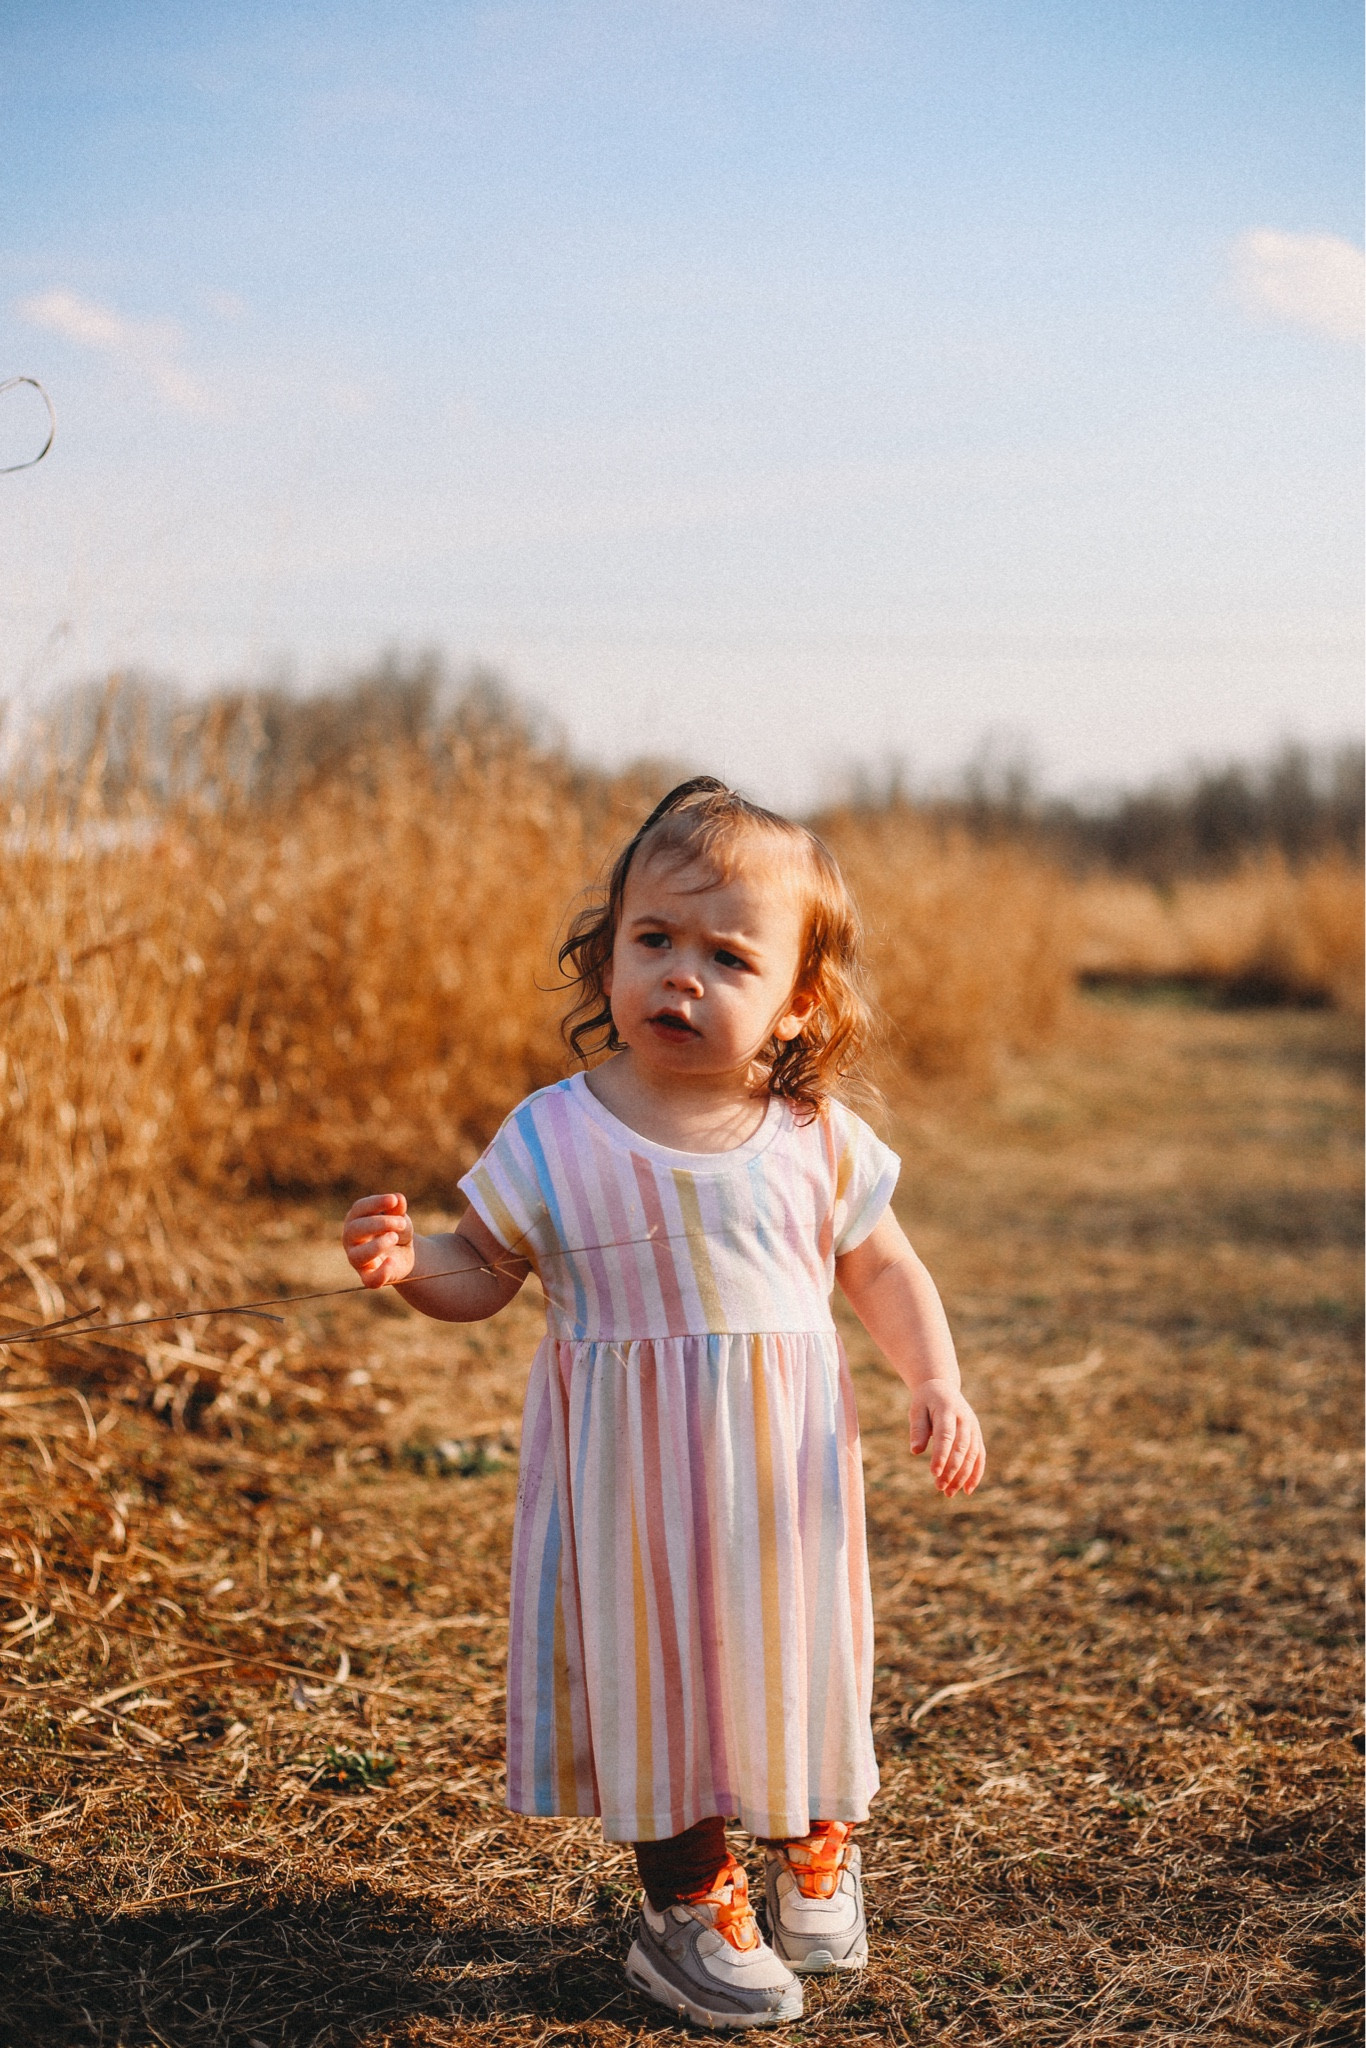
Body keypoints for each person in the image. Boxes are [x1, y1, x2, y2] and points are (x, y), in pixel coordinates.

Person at [342, 776, 985, 2030]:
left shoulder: (814, 1135)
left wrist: (935, 1377)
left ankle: (814, 1841)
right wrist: (410, 1261)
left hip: (782, 1484)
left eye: (726, 954)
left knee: (799, 1653)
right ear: (608, 953)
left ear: (798, 997)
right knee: (654, 1681)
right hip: (628, 1490)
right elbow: (482, 1271)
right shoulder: (555, 1134)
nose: (680, 976)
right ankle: (685, 1900)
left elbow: (884, 1264)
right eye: (654, 941)